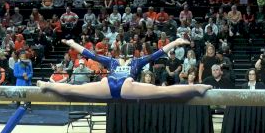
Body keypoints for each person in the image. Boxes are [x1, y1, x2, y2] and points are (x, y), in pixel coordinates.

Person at [37, 38, 211, 100]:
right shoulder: (137, 61)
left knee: (72, 89)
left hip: (108, 85)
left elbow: (90, 54)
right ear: (132, 53)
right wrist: (176, 42)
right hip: (127, 87)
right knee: (162, 91)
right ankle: (196, 88)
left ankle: (47, 85)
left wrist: (73, 44)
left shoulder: (111, 61)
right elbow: (158, 53)